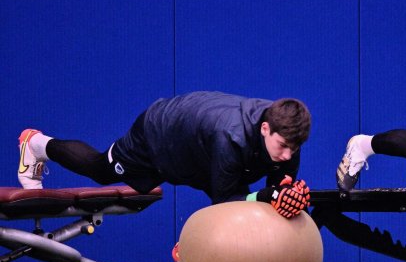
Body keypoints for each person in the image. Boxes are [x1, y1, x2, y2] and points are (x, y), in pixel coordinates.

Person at [18, 91, 312, 219]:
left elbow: (277, 189)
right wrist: (265, 197)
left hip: (198, 148)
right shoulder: (230, 138)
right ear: (264, 128)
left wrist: (280, 193)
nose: (287, 155)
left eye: (294, 149)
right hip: (160, 134)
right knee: (101, 170)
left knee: (242, 200)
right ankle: (37, 144)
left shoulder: (288, 136)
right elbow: (226, 202)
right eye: (282, 146)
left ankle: (196, 249)